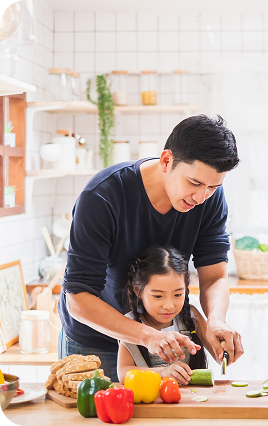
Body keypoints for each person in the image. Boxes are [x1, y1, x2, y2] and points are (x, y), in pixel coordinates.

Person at [58, 114, 243, 382]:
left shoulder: (208, 200)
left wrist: (216, 319)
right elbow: (77, 297)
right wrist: (147, 336)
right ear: (167, 160)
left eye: (214, 187)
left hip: (165, 340)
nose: (202, 197)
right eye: (194, 183)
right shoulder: (102, 197)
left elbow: (214, 275)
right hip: (95, 341)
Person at [117, 246, 214, 385]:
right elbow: (123, 373)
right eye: (158, 295)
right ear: (137, 290)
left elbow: (215, 346)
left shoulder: (192, 316)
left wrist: (223, 347)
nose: (169, 305)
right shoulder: (130, 324)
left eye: (178, 294)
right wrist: (163, 373)